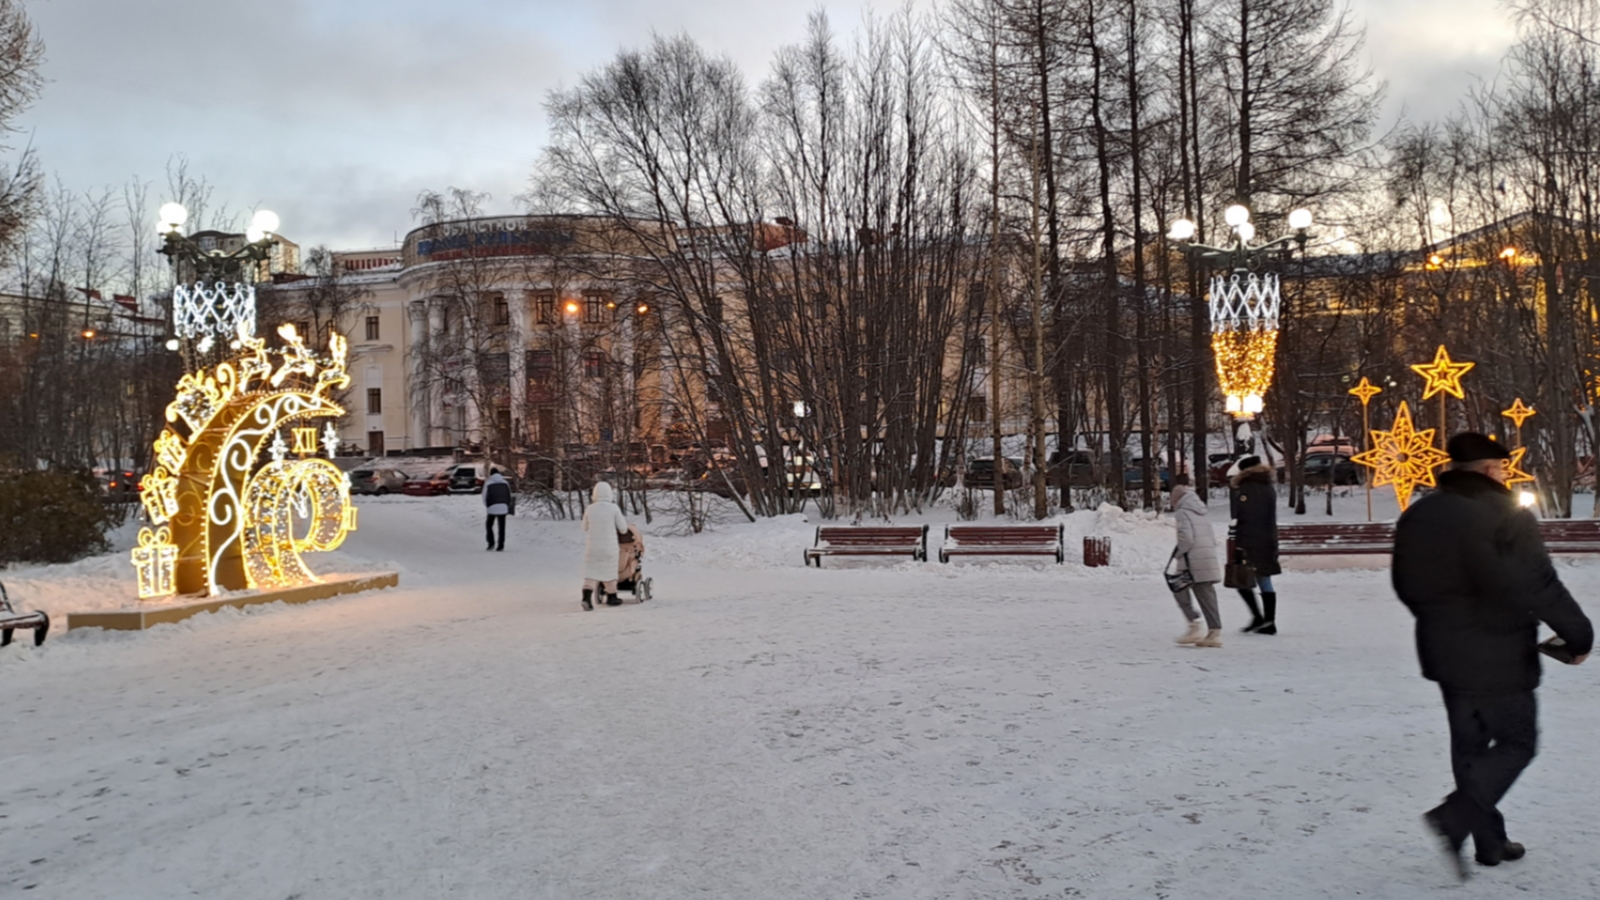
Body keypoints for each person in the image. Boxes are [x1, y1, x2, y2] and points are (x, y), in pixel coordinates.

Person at [1392, 432, 1593, 879]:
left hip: (1443, 651)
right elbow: (1537, 583)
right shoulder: (1503, 513)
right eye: (1501, 469)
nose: (1504, 475)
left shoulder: (1419, 514)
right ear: (1488, 470)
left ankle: (1490, 841)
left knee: (1470, 746)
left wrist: (1442, 621)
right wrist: (1577, 636)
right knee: (1517, 743)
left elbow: (1405, 585)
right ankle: (1456, 817)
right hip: (1498, 651)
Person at [1168, 473, 1224, 647]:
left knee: (1179, 588)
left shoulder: (1182, 512)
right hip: (1206, 558)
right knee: (1206, 594)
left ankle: (1195, 626)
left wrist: (1177, 554)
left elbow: (1187, 539)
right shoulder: (1201, 511)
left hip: (1191, 561)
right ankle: (1212, 631)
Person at [1229, 454, 1281, 634]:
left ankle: (1259, 618)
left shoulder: (1247, 488)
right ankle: (1268, 621)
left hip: (1251, 540)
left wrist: (1239, 543)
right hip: (1268, 539)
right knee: (1264, 578)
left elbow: (1244, 517)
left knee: (1240, 579)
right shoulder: (1267, 485)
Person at [580, 480, 631, 610]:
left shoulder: (590, 509)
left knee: (591, 572)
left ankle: (586, 598)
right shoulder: (613, 508)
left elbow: (584, 527)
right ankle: (612, 597)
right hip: (609, 546)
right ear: (609, 493)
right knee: (610, 571)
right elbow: (623, 529)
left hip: (593, 547)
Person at [483, 470, 512, 552]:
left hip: (492, 507)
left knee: (489, 525)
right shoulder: (505, 483)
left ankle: (491, 543)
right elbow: (509, 495)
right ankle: (501, 545)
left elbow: (484, 496)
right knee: (502, 527)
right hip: (503, 507)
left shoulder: (488, 483)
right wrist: (507, 505)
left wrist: (488, 507)